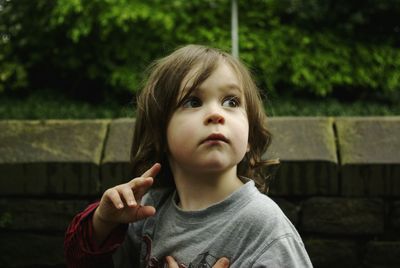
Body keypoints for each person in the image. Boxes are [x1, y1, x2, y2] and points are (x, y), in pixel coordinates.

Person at [64, 44, 313, 267]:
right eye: (193, 102)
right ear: (160, 133)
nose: (217, 114)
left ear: (249, 138)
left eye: (232, 102)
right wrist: (102, 222)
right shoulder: (148, 212)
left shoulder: (265, 227)